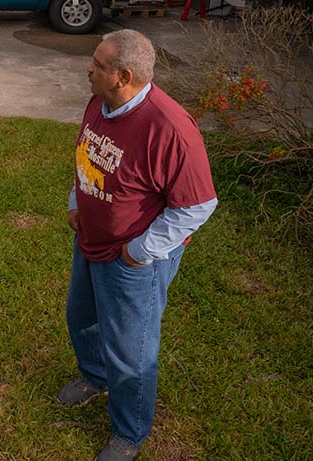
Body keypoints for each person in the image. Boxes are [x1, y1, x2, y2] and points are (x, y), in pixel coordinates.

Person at [59, 29, 218, 460]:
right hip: (91, 239)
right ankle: (95, 377)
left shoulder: (170, 128)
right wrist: (78, 201)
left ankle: (130, 433)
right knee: (83, 317)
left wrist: (138, 251)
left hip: (132, 260)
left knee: (132, 350)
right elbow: (86, 155)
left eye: (98, 64)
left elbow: (198, 205)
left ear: (123, 76)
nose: (88, 69)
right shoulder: (101, 101)